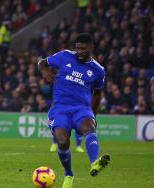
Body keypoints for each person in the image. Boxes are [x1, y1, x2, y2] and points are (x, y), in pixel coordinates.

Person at [37, 33, 110, 188]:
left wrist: (93, 114)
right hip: (60, 108)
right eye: (77, 48)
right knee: (63, 142)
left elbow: (97, 93)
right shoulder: (64, 56)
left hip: (81, 109)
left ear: (92, 48)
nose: (80, 51)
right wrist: (46, 72)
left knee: (90, 127)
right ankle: (69, 174)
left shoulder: (98, 70)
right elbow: (41, 63)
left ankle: (94, 163)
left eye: (83, 48)